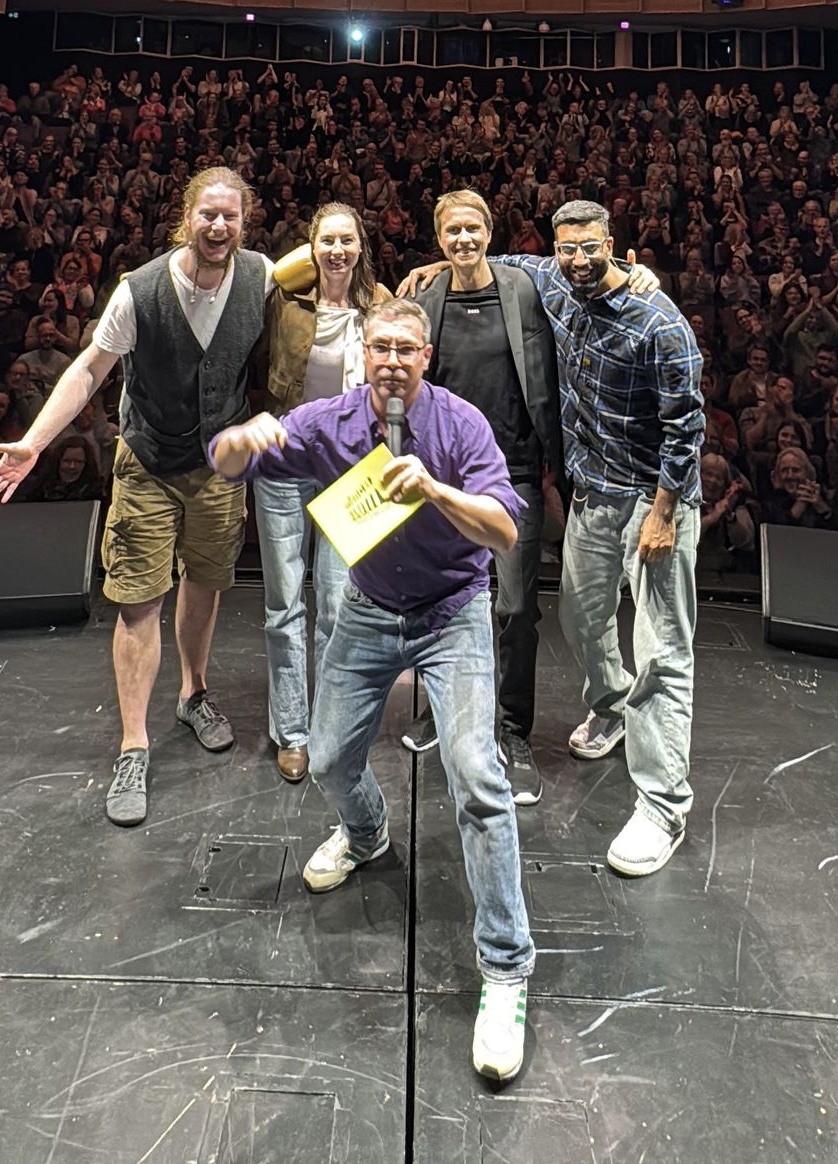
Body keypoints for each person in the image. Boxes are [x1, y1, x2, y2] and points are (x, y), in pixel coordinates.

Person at [210, 297, 534, 1085]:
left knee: (477, 777)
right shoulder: (330, 420)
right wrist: (236, 440)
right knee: (325, 761)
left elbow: (506, 532)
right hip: (367, 610)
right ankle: (365, 834)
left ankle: (506, 972)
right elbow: (229, 459)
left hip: (454, 615)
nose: (392, 360)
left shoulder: (461, 426)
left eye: (406, 349)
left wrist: (436, 491)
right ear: (364, 353)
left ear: (427, 358)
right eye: (380, 347)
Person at [0, 167, 275, 828]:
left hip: (219, 467)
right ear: (187, 218)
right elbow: (89, 368)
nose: (219, 227)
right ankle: (134, 745)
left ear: (244, 222)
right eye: (208, 215)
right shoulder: (138, 291)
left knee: (205, 584)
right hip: (147, 462)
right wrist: (35, 442)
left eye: (231, 216)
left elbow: (335, 265)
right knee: (140, 600)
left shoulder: (262, 276)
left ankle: (193, 695)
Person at [493, 200, 704, 877]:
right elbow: (496, 261)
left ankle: (663, 806)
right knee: (582, 620)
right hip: (593, 496)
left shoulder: (658, 320)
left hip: (653, 498)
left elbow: (686, 427)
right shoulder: (552, 283)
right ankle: (611, 709)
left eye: (590, 248)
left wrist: (664, 512)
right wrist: (438, 263)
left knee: (662, 651)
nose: (578, 260)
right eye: (567, 249)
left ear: (614, 245)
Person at [400, 189, 563, 806]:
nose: (463, 240)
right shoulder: (425, 297)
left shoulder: (523, 286)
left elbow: (575, 264)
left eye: (473, 229)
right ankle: (443, 711)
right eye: (451, 233)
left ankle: (512, 729)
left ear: (490, 231)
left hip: (514, 469)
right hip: (447, 475)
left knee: (516, 608)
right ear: (439, 240)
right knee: (445, 599)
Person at [255, 203, 392, 783]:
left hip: (351, 469)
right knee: (285, 605)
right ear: (310, 247)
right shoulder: (283, 302)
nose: (337, 251)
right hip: (285, 460)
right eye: (326, 241)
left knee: (338, 605)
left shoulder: (381, 304)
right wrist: (305, 260)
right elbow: (269, 275)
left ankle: (330, 721)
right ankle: (291, 730)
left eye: (347, 240)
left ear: (363, 244)